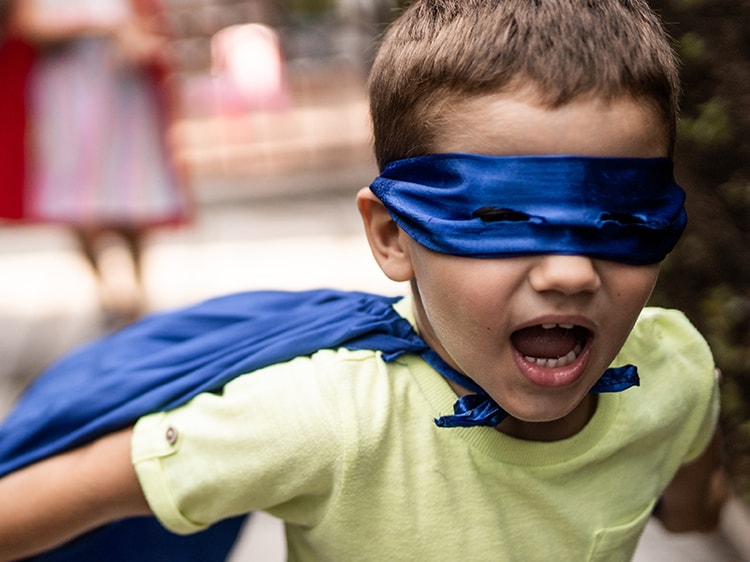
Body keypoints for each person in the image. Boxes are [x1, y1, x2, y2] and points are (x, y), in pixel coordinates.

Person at [0, 0, 727, 560]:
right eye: (498, 217)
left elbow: (693, 496)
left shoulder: (676, 372)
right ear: (392, 236)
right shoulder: (320, 419)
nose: (570, 274)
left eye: (620, 219)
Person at [0, 0, 190, 324]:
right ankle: (106, 290)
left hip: (123, 92)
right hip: (66, 96)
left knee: (133, 192)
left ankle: (138, 288)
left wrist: (137, 42)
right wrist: (98, 27)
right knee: (76, 199)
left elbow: (151, 28)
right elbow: (28, 27)